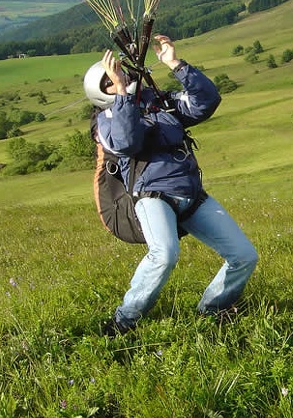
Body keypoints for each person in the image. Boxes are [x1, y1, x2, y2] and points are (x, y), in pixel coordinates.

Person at [83, 35, 258, 334]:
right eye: (111, 81)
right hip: (153, 196)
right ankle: (123, 321)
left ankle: (212, 310)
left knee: (244, 256)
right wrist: (123, 94)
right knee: (164, 254)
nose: (120, 79)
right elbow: (126, 142)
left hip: (191, 194)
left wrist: (174, 63)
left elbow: (206, 102)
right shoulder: (106, 120)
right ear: (101, 95)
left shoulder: (159, 103)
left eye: (120, 75)